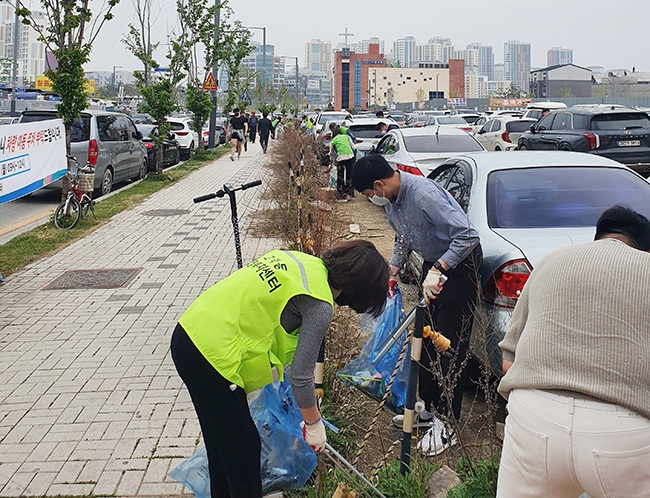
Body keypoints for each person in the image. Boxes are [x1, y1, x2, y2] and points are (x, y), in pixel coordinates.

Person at [171, 240, 389, 498]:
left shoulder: (304, 263)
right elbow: (300, 376)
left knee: (221, 445)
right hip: (211, 356)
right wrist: (314, 424)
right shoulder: (320, 305)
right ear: (360, 291)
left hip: (189, 332)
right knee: (245, 449)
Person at [496, 205, 650, 498]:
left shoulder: (550, 262)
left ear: (599, 237)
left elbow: (508, 362)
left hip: (533, 416)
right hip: (625, 433)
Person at [351, 154, 482, 456]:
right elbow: (402, 238)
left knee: (449, 344)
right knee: (422, 338)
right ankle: (429, 408)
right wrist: (392, 270)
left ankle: (446, 422)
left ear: (378, 185)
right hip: (433, 265)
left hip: (459, 266)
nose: (371, 199)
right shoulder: (393, 201)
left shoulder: (424, 194)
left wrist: (441, 268)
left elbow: (466, 235)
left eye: (369, 194)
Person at [329, 125, 357, 200]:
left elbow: (330, 152)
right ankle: (350, 192)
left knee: (340, 175)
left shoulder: (333, 140)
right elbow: (354, 147)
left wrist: (330, 160)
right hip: (351, 157)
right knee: (349, 175)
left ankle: (341, 192)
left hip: (341, 159)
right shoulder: (347, 137)